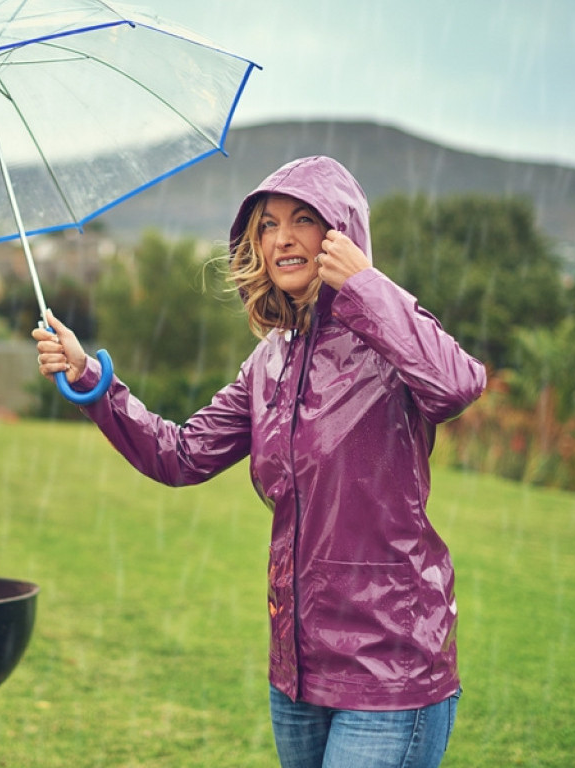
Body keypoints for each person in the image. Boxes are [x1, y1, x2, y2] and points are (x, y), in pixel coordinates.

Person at [33, 155, 487, 768]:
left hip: (391, 672)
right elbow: (181, 454)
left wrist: (364, 286)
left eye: (305, 220)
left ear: (342, 233)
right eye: (269, 224)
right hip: (297, 673)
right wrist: (91, 378)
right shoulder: (269, 362)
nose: (283, 238)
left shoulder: (389, 345)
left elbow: (457, 385)